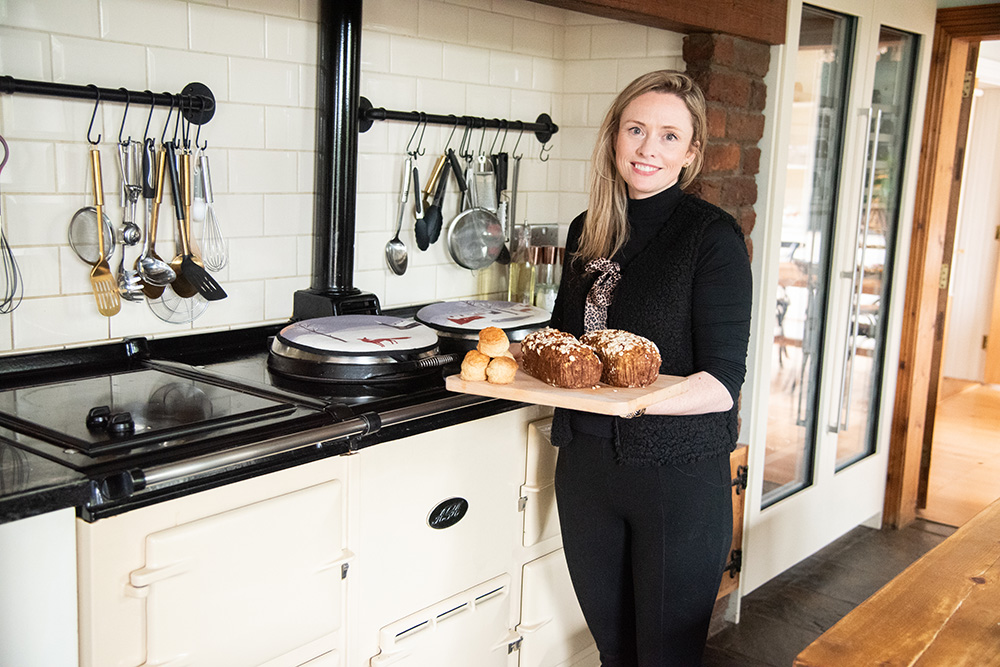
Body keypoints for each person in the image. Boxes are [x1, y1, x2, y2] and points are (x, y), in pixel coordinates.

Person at [546, 70, 753, 666]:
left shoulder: (710, 237)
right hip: (585, 469)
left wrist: (632, 403)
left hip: (675, 476)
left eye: (668, 136)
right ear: (615, 136)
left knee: (664, 656)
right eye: (636, 130)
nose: (647, 149)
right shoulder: (590, 230)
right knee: (615, 652)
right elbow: (570, 344)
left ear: (690, 154)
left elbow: (720, 385)